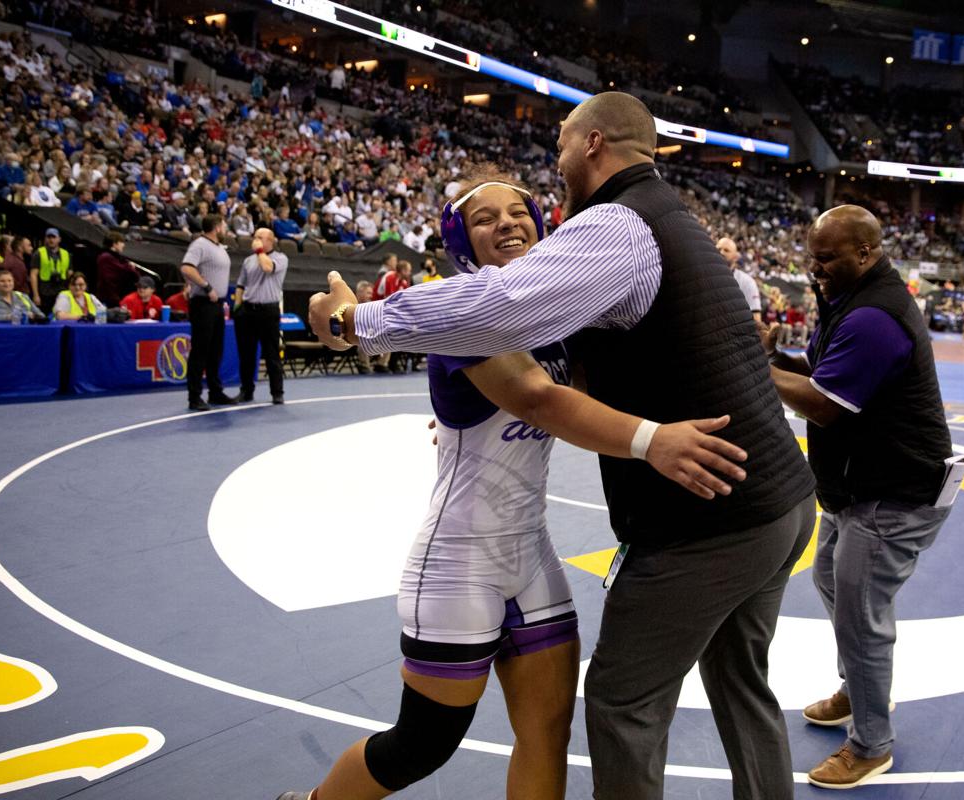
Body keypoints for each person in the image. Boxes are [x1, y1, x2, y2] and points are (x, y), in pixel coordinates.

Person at [307, 92, 817, 800]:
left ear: (591, 145)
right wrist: (649, 439)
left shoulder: (579, 276)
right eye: (485, 218)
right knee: (424, 743)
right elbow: (540, 396)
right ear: (460, 240)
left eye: (519, 210)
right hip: (466, 554)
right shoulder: (468, 308)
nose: (509, 222)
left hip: (572, 543)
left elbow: (569, 378)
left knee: (573, 723)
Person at [761, 205, 954, 789]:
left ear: (865, 253)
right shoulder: (849, 298)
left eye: (825, 258)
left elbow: (825, 403)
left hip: (893, 494)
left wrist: (750, 367)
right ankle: (861, 689)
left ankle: (871, 744)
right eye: (812, 255)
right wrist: (774, 360)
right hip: (859, 488)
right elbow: (819, 376)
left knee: (860, 616)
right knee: (830, 580)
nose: (813, 268)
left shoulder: (874, 317)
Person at [179, 214, 236, 411]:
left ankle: (215, 391)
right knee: (200, 351)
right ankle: (194, 396)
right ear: (217, 227)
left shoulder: (218, 247)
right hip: (204, 303)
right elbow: (187, 268)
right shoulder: (200, 244)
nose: (226, 228)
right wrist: (206, 286)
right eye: (224, 224)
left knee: (215, 351)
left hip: (217, 304)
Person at [233, 228, 286, 404]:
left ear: (270, 241)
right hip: (248, 311)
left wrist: (259, 251)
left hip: (268, 311)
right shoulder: (248, 260)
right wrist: (237, 307)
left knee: (272, 354)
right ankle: (246, 391)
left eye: (259, 238)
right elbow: (241, 285)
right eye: (254, 237)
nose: (254, 240)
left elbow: (267, 267)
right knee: (246, 354)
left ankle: (277, 392)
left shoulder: (280, 258)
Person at [717, 235, 762, 330]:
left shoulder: (747, 282)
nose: (721, 252)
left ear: (735, 257)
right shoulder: (702, 275)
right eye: (718, 249)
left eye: (726, 250)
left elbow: (756, 317)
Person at [29, 227, 72, 312]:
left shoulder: (66, 254)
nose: (51, 240)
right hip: (44, 292)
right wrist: (35, 295)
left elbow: (70, 274)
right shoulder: (39, 253)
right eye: (49, 237)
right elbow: (33, 275)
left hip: (61, 291)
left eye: (54, 237)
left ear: (59, 239)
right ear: (45, 239)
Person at [97, 231, 139, 308]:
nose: (123, 245)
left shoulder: (117, 258)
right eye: (121, 242)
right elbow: (125, 272)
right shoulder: (106, 258)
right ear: (114, 244)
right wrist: (130, 267)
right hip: (109, 298)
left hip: (115, 296)